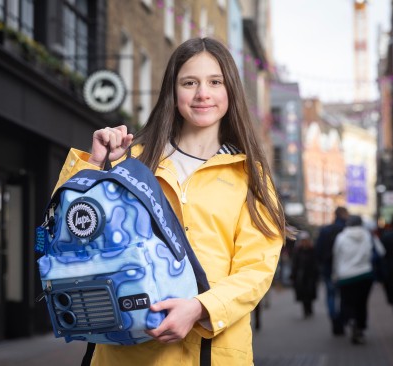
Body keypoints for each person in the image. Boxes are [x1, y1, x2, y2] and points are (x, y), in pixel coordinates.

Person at [51, 37, 287, 365]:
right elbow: (67, 233)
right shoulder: (130, 162)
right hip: (126, 353)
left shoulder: (250, 176)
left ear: (230, 90)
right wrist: (94, 164)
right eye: (189, 82)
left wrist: (200, 308)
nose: (202, 93)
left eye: (215, 82)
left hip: (210, 353)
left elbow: (256, 268)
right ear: (173, 93)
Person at [333, 215, 375, 345]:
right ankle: (360, 328)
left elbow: (336, 256)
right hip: (365, 274)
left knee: (348, 302)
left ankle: (351, 320)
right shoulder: (367, 235)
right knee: (362, 303)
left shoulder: (341, 237)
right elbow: (373, 252)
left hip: (346, 276)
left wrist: (335, 274)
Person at [315, 206, 349, 335]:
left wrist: (322, 264)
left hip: (328, 269)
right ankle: (341, 320)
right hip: (344, 269)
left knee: (330, 295)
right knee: (343, 296)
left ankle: (334, 318)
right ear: (344, 214)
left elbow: (318, 250)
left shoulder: (325, 230)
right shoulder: (346, 230)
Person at [290, 231, 319, 318]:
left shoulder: (312, 250)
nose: (304, 242)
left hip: (310, 276)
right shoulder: (297, 251)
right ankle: (305, 309)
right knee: (302, 293)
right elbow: (295, 264)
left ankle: (309, 308)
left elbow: (316, 263)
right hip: (301, 276)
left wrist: (316, 274)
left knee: (309, 293)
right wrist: (293, 275)